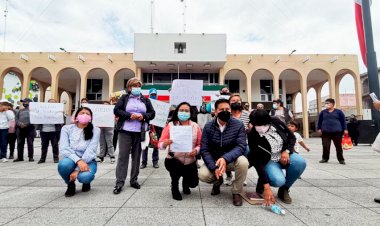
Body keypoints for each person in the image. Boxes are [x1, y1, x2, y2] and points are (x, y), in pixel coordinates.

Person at [247, 109, 306, 205]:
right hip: (269, 159)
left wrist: (286, 151)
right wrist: (267, 187)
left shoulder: (276, 122)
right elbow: (257, 160)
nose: (261, 128)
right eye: (258, 125)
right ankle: (263, 180)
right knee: (278, 181)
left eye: (264, 125)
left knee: (300, 162)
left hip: (284, 153)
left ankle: (284, 189)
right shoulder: (252, 134)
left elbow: (291, 137)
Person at [198, 99, 248, 206]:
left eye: (227, 109)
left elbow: (241, 146)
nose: (225, 111)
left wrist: (225, 158)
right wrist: (214, 167)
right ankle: (217, 181)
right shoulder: (208, 126)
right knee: (203, 175)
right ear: (216, 111)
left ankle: (236, 192)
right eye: (221, 109)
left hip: (231, 159)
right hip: (214, 160)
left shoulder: (238, 124)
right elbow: (204, 149)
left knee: (243, 162)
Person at [113, 78, 155, 194]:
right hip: (125, 130)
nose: (137, 88)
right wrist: (129, 115)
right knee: (123, 156)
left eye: (138, 86)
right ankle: (119, 182)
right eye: (134, 86)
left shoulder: (145, 100)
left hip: (140, 132)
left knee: (137, 157)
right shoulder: (124, 98)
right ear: (129, 88)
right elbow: (116, 110)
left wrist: (144, 116)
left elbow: (152, 113)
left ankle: (134, 180)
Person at [159, 102, 202, 200]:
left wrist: (196, 150)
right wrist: (165, 143)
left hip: (190, 160)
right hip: (174, 160)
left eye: (186, 111)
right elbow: (160, 144)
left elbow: (200, 144)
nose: (184, 112)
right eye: (181, 110)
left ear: (190, 113)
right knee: (176, 170)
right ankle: (174, 187)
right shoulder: (170, 125)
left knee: (194, 183)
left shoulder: (195, 126)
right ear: (177, 111)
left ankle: (185, 182)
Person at [58, 107, 100, 197]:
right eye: (82, 113)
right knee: (63, 165)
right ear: (76, 116)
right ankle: (70, 183)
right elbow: (64, 148)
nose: (85, 115)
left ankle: (86, 182)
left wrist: (77, 170)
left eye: (88, 114)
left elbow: (91, 150)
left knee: (85, 177)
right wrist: (78, 161)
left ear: (91, 118)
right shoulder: (66, 129)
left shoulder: (96, 130)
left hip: (88, 160)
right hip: (71, 159)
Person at [224, 93, 250, 186]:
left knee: (247, 152)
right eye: (233, 101)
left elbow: (251, 127)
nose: (236, 102)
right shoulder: (225, 114)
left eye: (238, 100)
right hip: (228, 141)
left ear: (241, 102)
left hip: (244, 142)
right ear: (229, 103)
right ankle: (228, 175)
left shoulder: (247, 114)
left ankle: (242, 175)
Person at [317, 98, 348, 164]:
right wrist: (319, 128)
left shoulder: (339, 112)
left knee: (338, 146)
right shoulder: (323, 112)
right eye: (326, 103)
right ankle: (325, 158)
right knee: (325, 146)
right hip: (325, 132)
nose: (326, 104)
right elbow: (319, 121)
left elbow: (343, 121)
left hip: (337, 132)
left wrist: (345, 129)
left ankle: (341, 159)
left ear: (333, 104)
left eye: (328, 103)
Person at [37, 99, 63, 164]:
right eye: (50, 103)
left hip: (54, 131)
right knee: (44, 145)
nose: (51, 104)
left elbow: (62, 121)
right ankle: (42, 159)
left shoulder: (58, 112)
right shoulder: (42, 111)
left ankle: (56, 158)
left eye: (53, 103)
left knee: (55, 145)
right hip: (44, 130)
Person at [141, 88, 162, 169]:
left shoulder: (160, 104)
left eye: (154, 94)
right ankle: (144, 162)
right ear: (149, 95)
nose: (153, 96)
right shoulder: (145, 103)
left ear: (157, 95)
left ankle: (155, 162)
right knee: (145, 145)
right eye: (152, 94)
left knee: (155, 145)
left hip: (156, 128)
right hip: (147, 127)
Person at [14, 98, 36, 162]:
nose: (24, 103)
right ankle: (20, 157)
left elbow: (34, 119)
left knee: (30, 143)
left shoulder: (33, 111)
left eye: (25, 102)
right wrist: (19, 124)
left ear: (29, 103)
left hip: (30, 128)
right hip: (20, 129)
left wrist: (26, 124)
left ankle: (30, 157)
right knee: (20, 143)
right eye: (23, 102)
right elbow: (16, 119)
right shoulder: (20, 111)